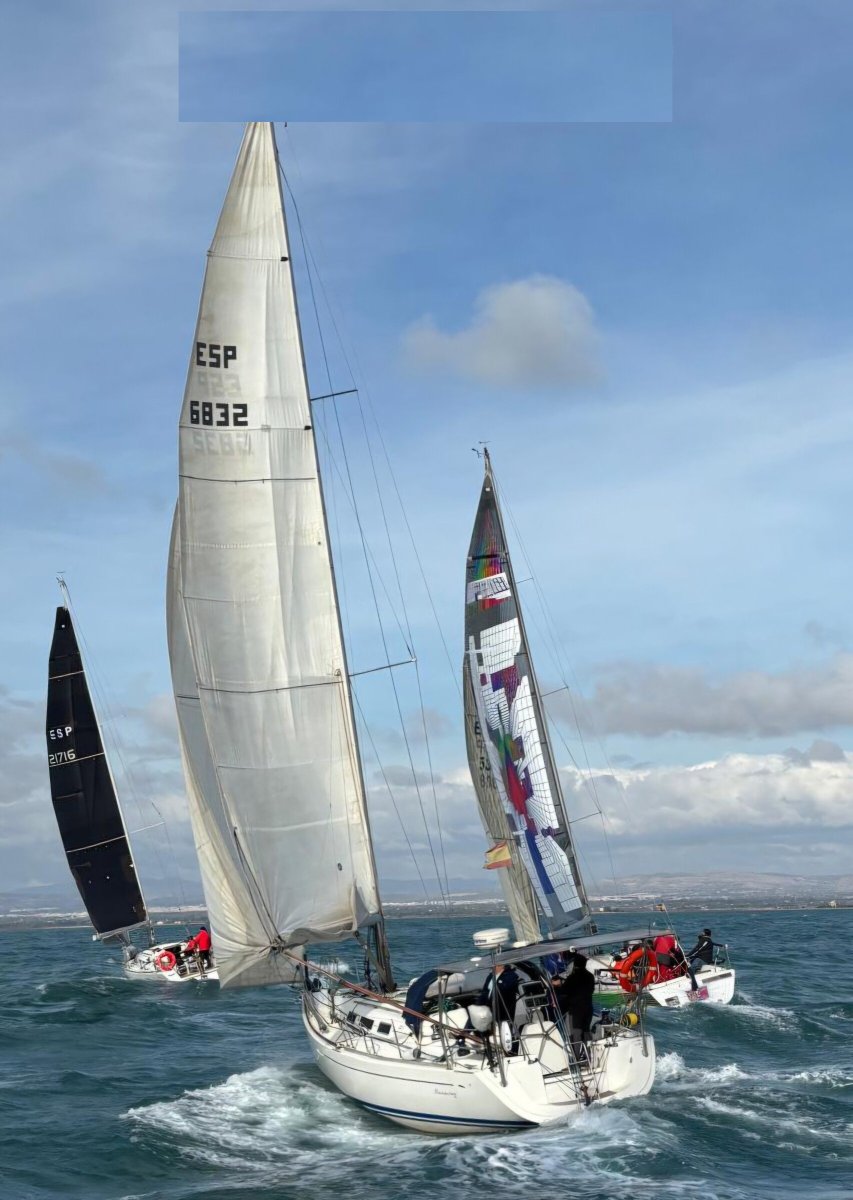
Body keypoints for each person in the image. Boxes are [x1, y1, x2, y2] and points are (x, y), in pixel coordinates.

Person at [552, 953, 595, 1060]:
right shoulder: (590, 976)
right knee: (586, 1031)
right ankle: (589, 1055)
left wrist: (557, 985)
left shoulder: (572, 978)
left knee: (576, 1033)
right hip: (588, 1008)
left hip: (575, 1010)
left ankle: (576, 1058)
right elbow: (591, 990)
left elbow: (564, 991)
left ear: (575, 965)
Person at [475, 962, 521, 1027]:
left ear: (502, 965)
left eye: (495, 965)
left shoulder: (511, 975)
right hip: (488, 1007)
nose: (492, 967)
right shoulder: (490, 976)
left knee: (503, 1027)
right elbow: (485, 992)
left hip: (502, 1010)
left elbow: (505, 990)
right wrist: (479, 1005)